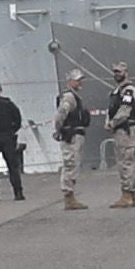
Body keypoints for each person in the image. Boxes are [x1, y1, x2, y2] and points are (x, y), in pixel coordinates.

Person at [104, 65, 135, 207]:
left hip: (126, 129)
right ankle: (133, 196)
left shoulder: (129, 90)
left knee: (125, 162)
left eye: (119, 72)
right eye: (114, 72)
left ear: (126, 73)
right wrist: (108, 122)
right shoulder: (116, 91)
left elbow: (125, 110)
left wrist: (112, 123)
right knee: (124, 161)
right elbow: (111, 109)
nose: (116, 74)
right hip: (119, 129)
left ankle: (127, 195)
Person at [54, 72, 93, 211]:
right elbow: (60, 115)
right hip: (71, 135)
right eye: (77, 80)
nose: (80, 83)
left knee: (73, 164)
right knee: (70, 164)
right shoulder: (69, 97)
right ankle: (69, 197)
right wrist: (58, 130)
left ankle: (70, 196)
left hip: (76, 134)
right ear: (70, 81)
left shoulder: (75, 96)